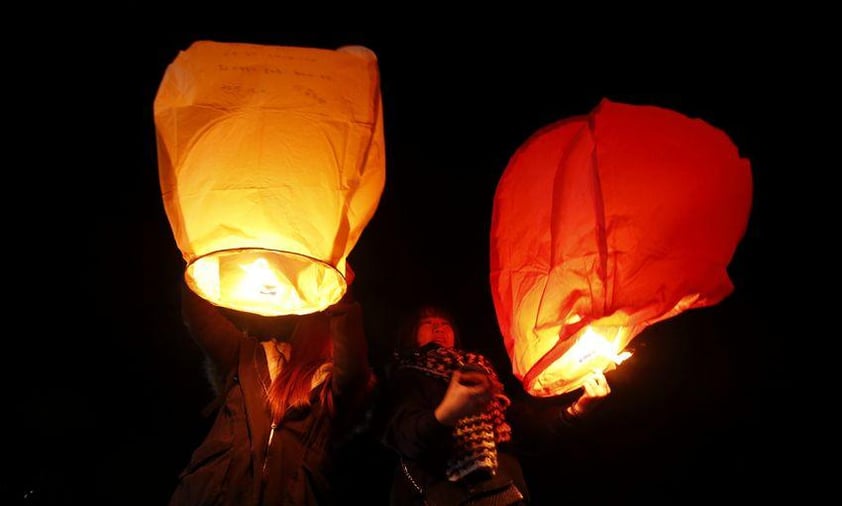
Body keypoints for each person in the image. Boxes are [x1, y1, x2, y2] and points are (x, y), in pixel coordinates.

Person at [168, 270, 375, 506]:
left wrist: (342, 298)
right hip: (211, 497)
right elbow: (200, 318)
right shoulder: (249, 356)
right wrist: (200, 260)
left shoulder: (330, 389)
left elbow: (354, 368)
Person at [379, 304, 610, 505]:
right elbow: (404, 436)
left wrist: (576, 409)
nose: (439, 328)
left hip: (503, 494)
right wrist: (445, 414)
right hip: (441, 495)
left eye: (444, 323)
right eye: (428, 322)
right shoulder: (406, 376)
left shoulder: (480, 371)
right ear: (410, 333)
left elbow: (523, 427)